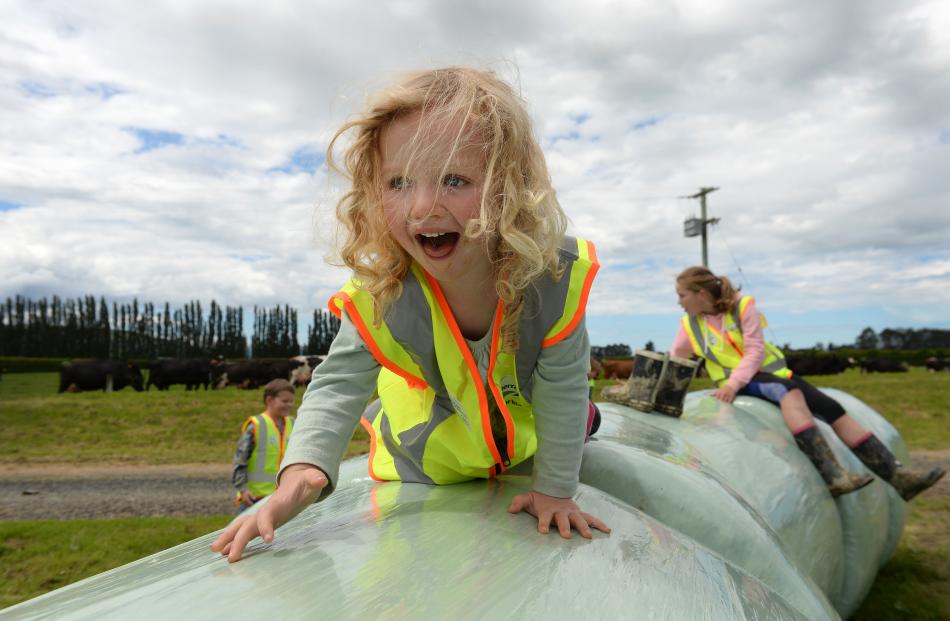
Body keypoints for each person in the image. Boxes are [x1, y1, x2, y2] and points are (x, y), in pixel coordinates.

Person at [212, 67, 609, 562]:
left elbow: (562, 386)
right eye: (398, 182)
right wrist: (303, 471)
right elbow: (338, 381)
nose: (423, 207)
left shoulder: (552, 276)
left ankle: (588, 423)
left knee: (575, 414)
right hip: (428, 456)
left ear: (509, 188)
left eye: (454, 179)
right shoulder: (382, 291)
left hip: (516, 436)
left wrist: (554, 489)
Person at [671, 266, 945, 499]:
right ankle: (832, 475)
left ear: (702, 294)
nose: (679, 302)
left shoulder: (743, 307)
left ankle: (898, 477)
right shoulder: (690, 325)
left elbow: (755, 350)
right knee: (788, 393)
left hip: (767, 374)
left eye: (682, 295)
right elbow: (676, 360)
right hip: (737, 382)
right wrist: (675, 394)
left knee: (832, 408)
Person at [232, 379, 296, 512]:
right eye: (284, 401)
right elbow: (240, 461)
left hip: (282, 497)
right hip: (254, 499)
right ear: (269, 400)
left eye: (291, 401)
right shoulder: (256, 425)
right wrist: (243, 490)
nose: (289, 405)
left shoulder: (292, 424)